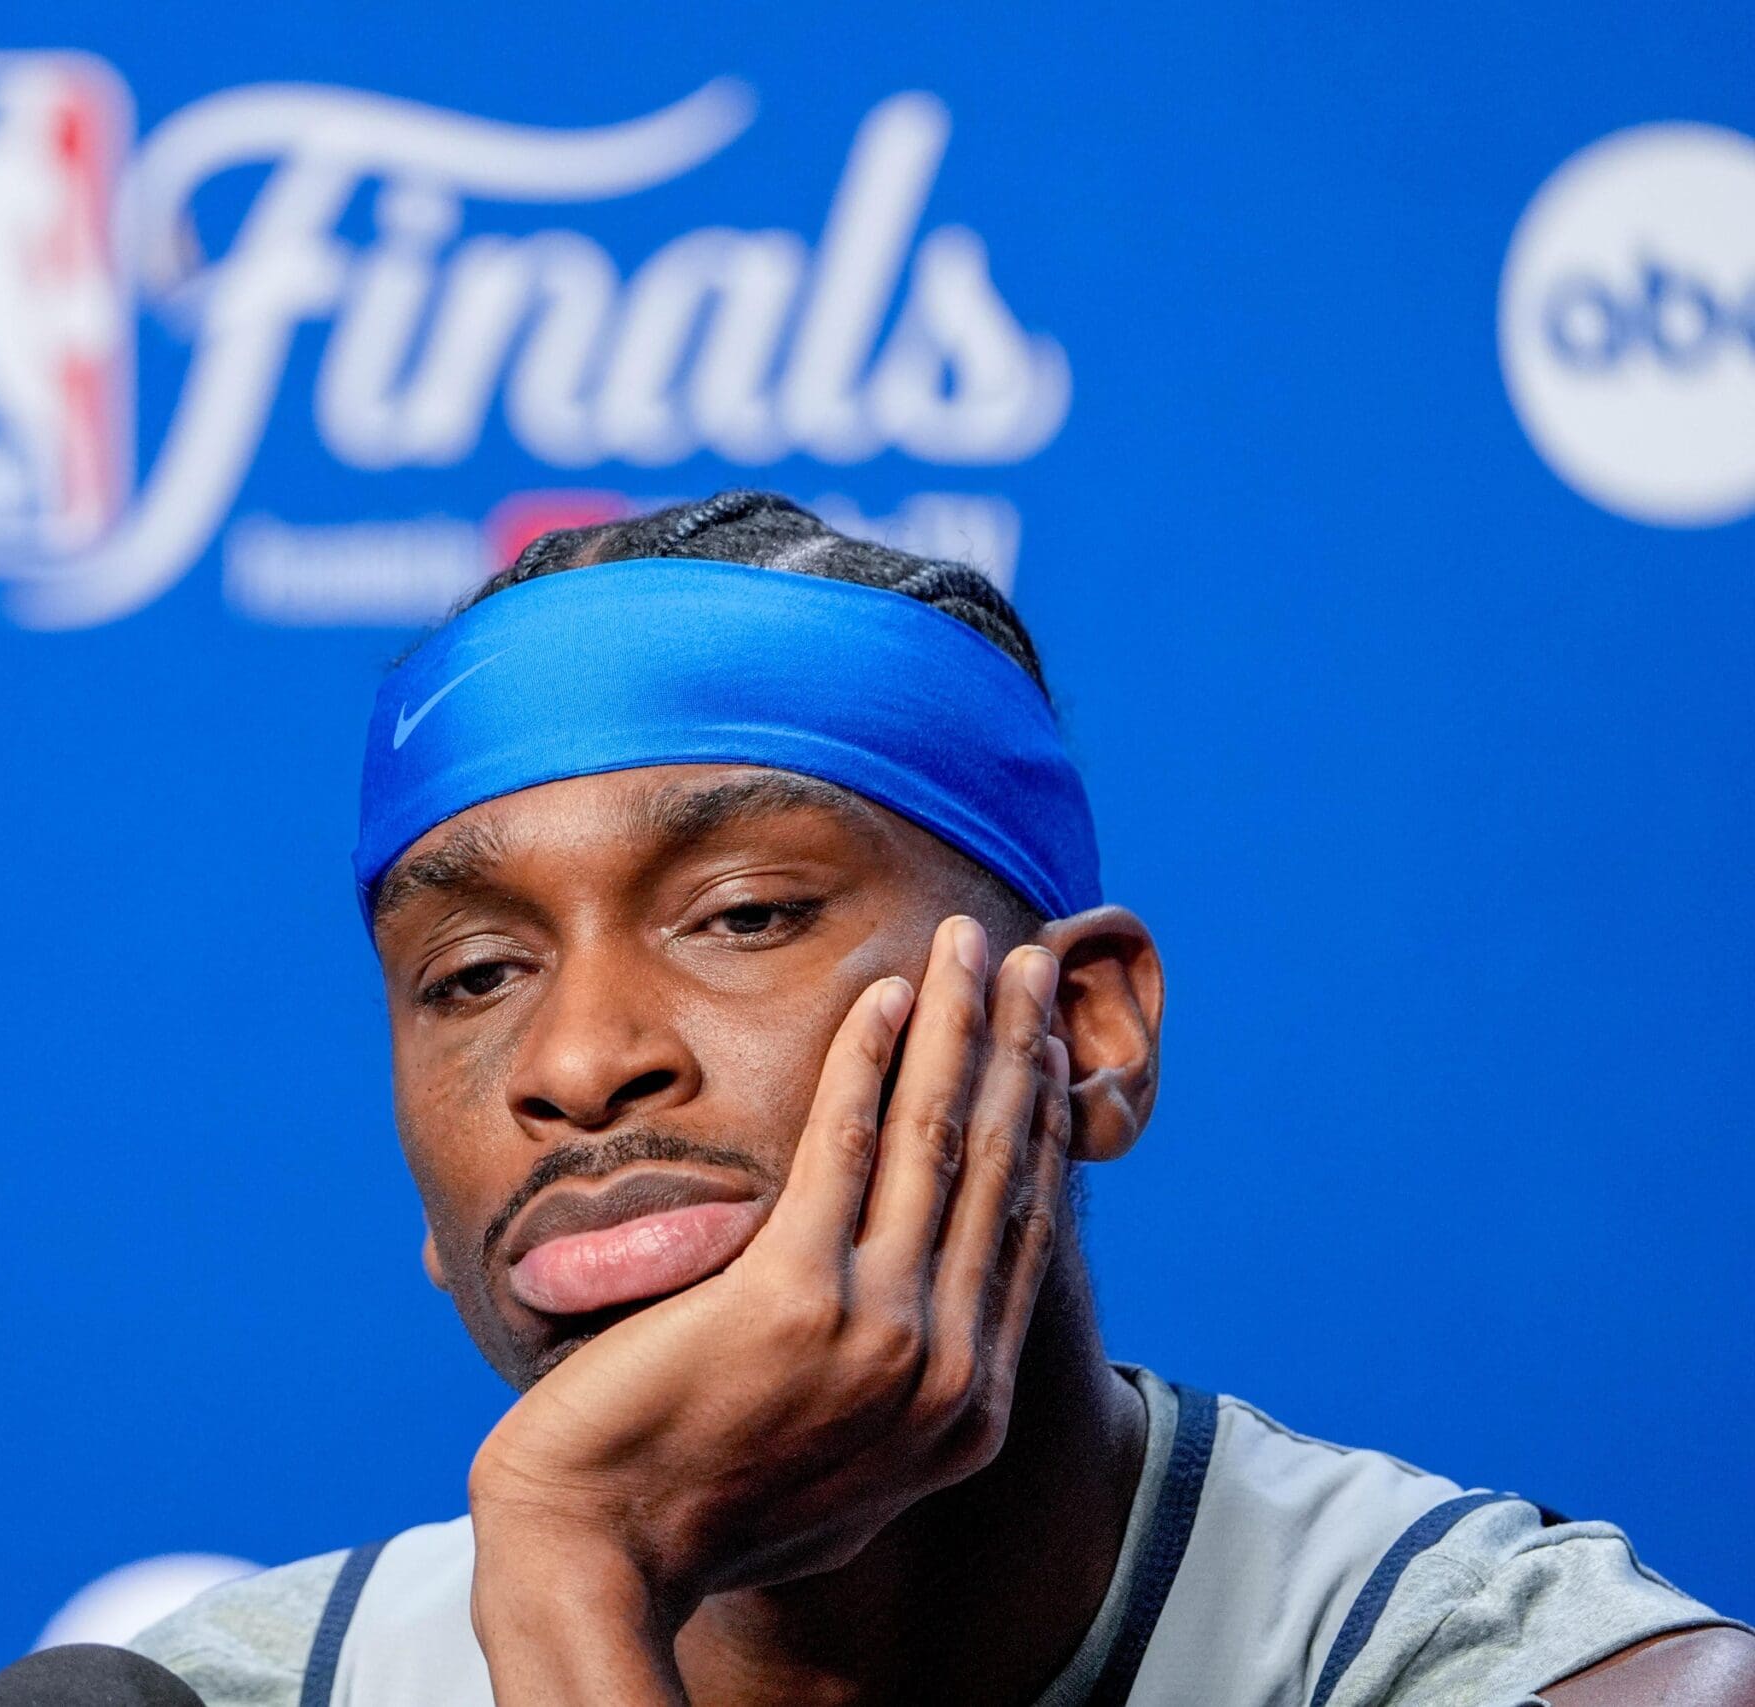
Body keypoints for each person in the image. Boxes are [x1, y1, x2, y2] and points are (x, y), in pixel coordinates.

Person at [126, 492, 1753, 1706]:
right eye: (475, 978)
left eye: (746, 914)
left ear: (1088, 1030)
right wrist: (575, 1558)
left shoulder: (1513, 1677)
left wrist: (578, 1564)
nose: (572, 1064)